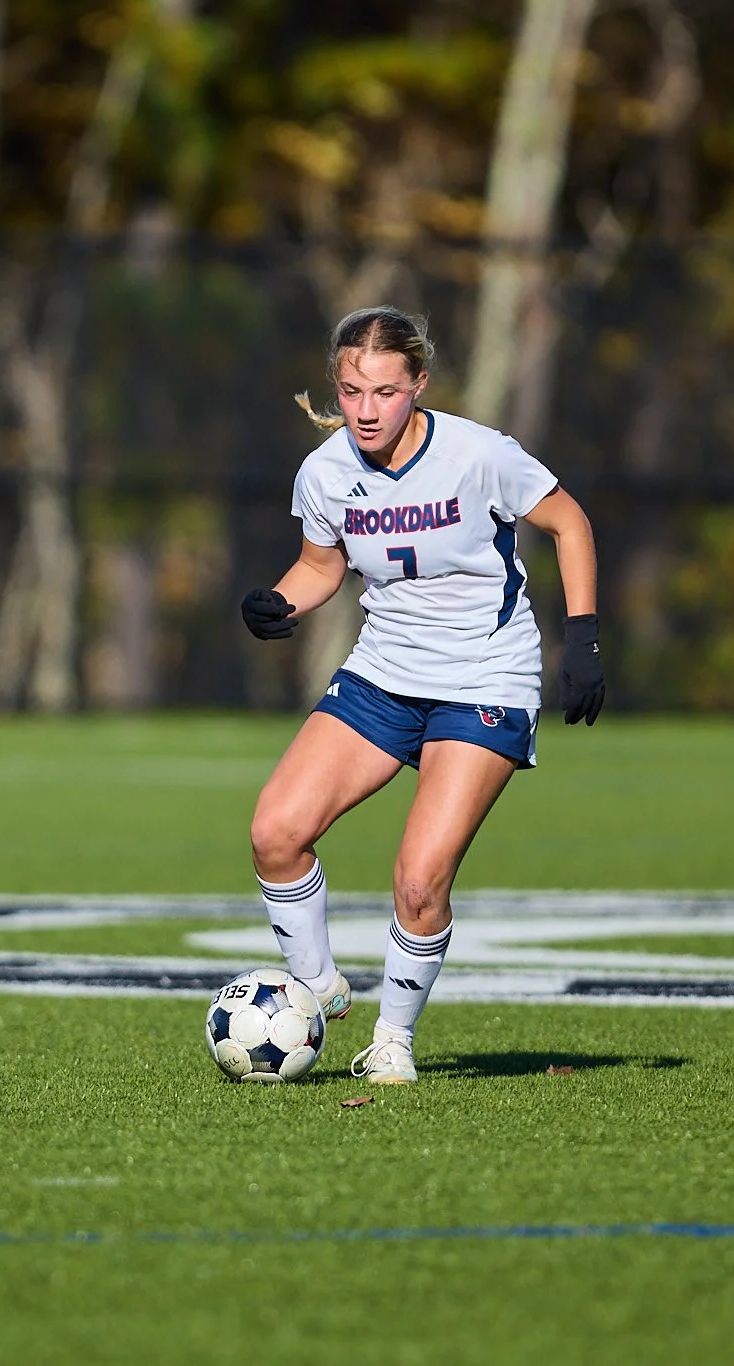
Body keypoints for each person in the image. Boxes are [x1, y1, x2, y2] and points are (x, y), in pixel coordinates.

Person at [240, 305, 604, 1085]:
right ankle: (318, 988)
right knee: (275, 832)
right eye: (350, 392)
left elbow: (570, 524)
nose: (366, 410)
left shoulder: (479, 454)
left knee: (418, 881)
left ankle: (392, 1039)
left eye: (385, 391)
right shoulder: (326, 472)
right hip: (383, 675)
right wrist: (278, 601)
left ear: (419, 386)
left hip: (483, 679)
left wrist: (584, 639)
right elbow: (321, 566)